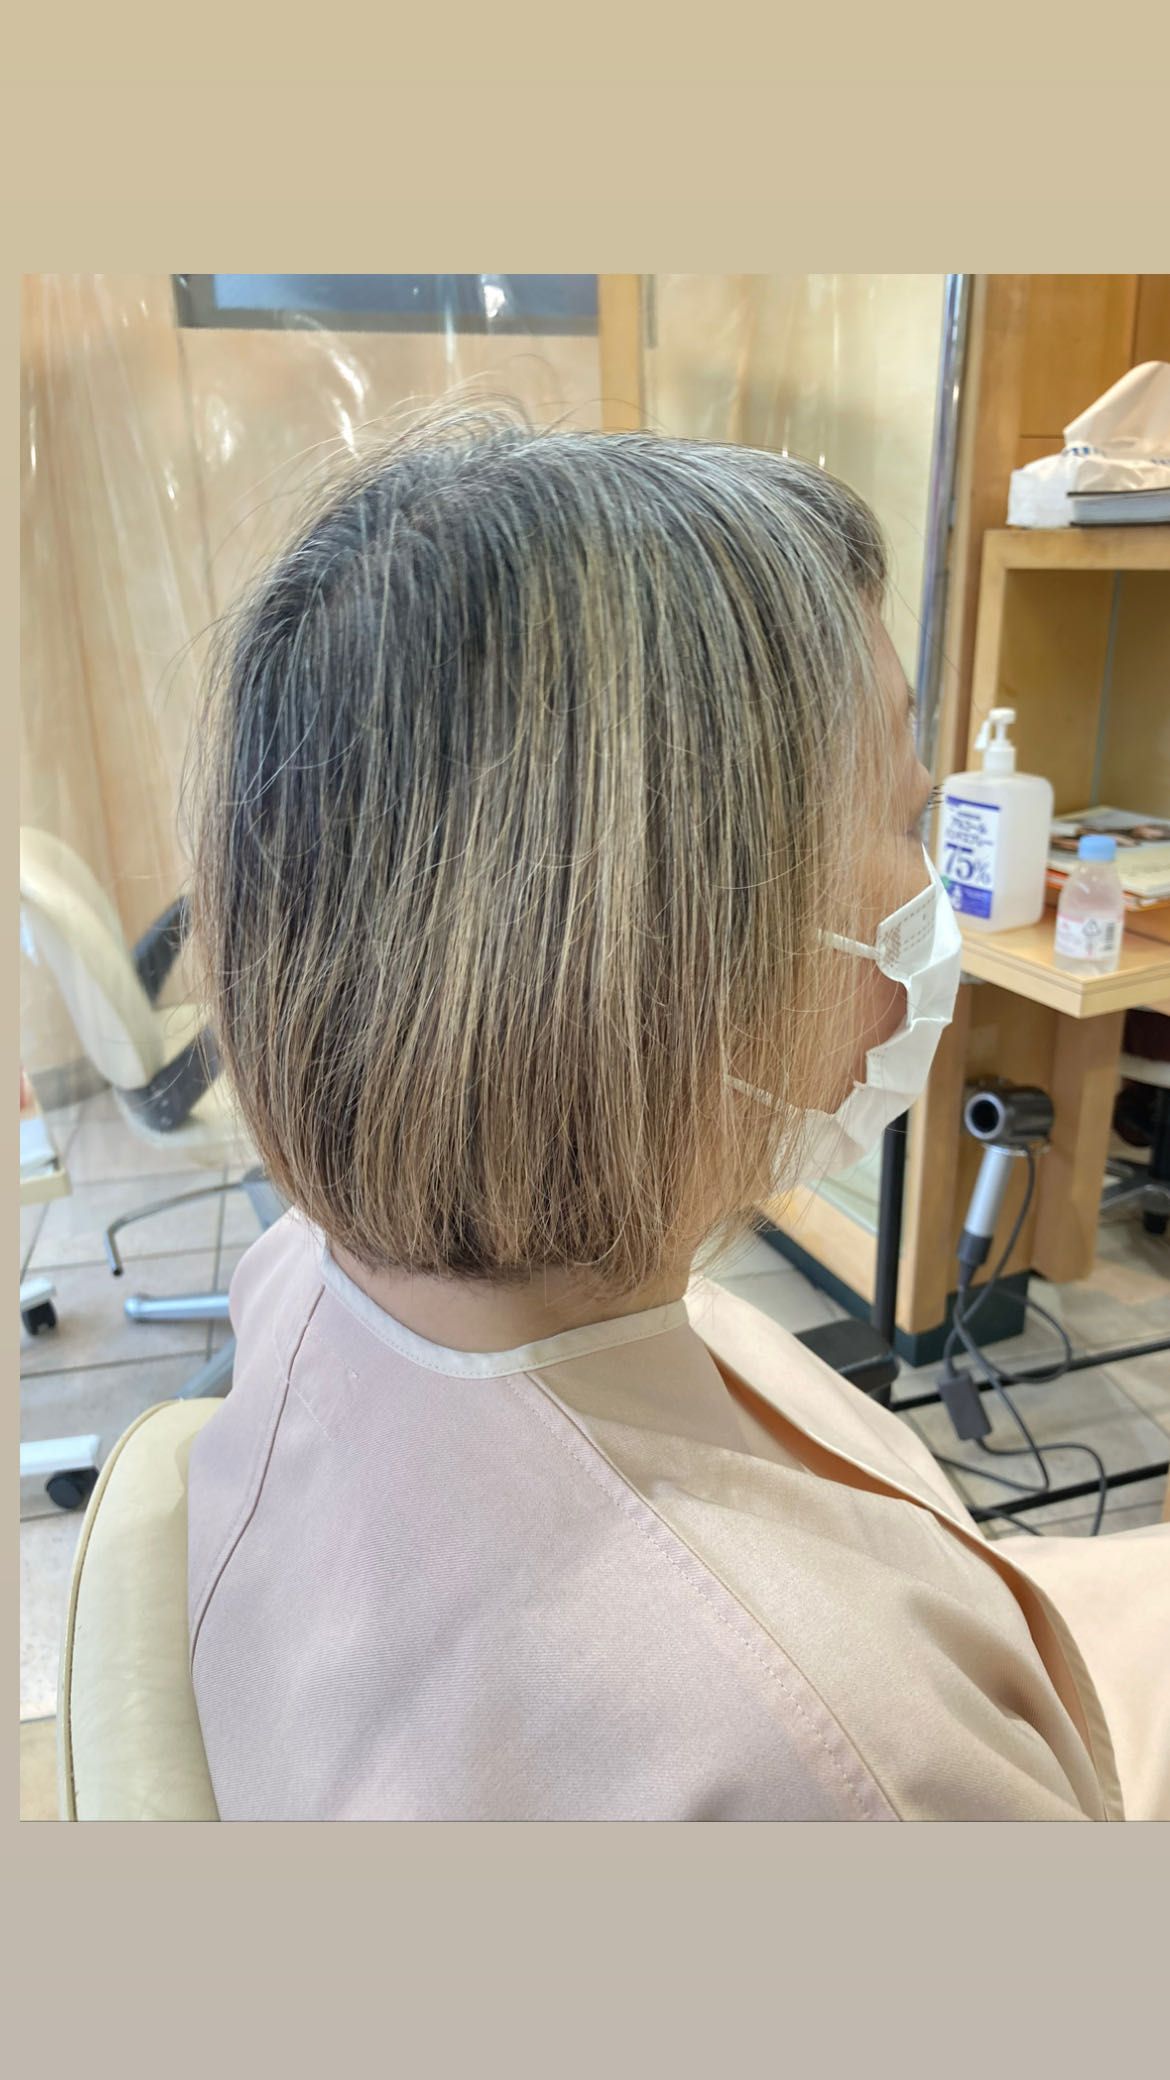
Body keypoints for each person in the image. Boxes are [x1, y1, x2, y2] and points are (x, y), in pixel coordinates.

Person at [185, 401, 1168, 1821]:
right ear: (670, 960)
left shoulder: (308, 1278)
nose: (932, 896)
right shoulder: (823, 1769)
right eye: (904, 821)